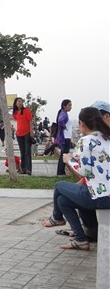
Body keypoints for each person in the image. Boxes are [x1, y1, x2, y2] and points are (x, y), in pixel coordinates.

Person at [41, 107, 110, 251]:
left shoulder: (86, 141)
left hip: (100, 196)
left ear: (82, 124)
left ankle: (57, 218)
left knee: (59, 185)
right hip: (104, 194)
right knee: (62, 200)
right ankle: (80, 240)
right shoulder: (106, 138)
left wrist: (68, 160)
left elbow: (84, 171)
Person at [12, 97, 35, 175]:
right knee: (22, 152)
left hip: (27, 133)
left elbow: (30, 121)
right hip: (19, 134)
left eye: (21, 102)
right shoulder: (15, 113)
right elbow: (17, 121)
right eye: (18, 102)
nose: (20, 103)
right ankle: (23, 169)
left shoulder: (26, 110)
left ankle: (29, 169)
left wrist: (31, 131)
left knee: (27, 152)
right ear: (15, 103)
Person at [54, 99, 73, 176]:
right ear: (64, 106)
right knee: (65, 155)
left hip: (65, 137)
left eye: (71, 105)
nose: (71, 107)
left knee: (63, 154)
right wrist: (64, 128)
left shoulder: (64, 113)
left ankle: (60, 171)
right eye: (69, 105)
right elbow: (60, 121)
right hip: (65, 137)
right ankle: (61, 172)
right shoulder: (64, 114)